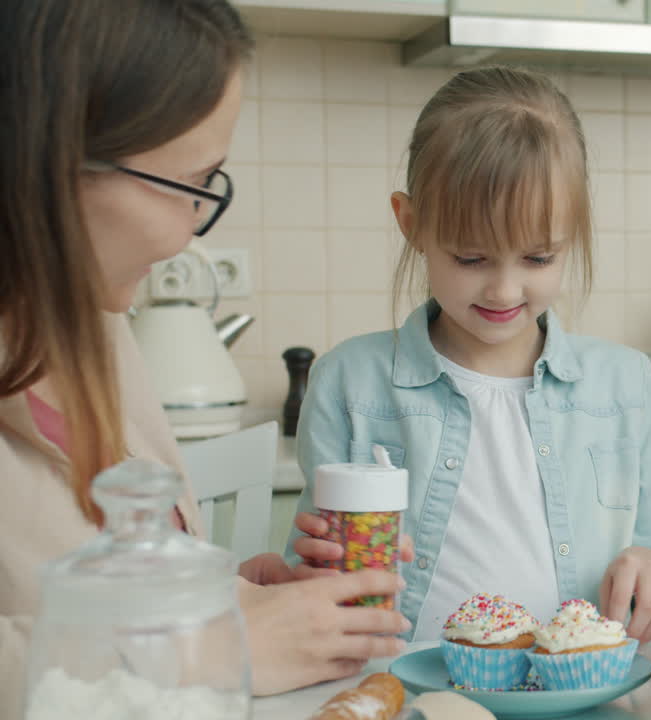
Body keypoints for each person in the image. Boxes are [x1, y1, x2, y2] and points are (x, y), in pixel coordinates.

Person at [0, 2, 410, 714]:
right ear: (47, 162)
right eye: (193, 184)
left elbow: (90, 576)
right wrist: (213, 645)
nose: (195, 232)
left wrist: (238, 595)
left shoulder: (93, 328)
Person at [284, 66, 651, 642]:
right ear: (412, 224)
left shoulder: (627, 386)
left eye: (537, 258)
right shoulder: (347, 384)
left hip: (576, 693)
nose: (504, 291)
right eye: (472, 259)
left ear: (572, 233)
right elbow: (315, 592)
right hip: (405, 691)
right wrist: (309, 572)